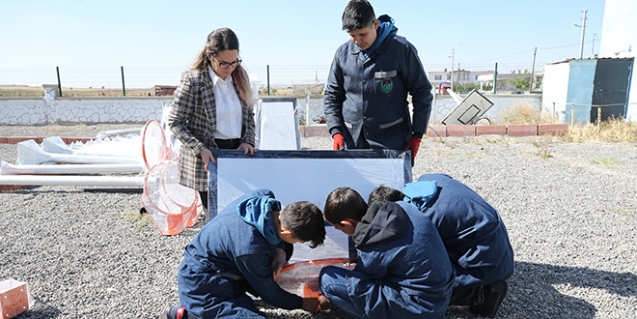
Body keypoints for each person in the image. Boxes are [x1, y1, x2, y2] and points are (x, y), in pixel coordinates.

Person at [160, 189, 328, 319]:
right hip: (202, 281)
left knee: (285, 249)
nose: (298, 244)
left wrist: (280, 249)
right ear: (285, 231)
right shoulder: (250, 247)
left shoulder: (263, 198)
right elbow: (268, 292)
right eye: (299, 240)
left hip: (225, 265)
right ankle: (186, 313)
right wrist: (303, 303)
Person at [368, 173, 515, 318]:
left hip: (487, 255)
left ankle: (480, 293)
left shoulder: (423, 222)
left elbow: (424, 265)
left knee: (427, 286)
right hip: (494, 236)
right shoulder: (427, 180)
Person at [323, 0, 433, 165]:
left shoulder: (401, 49)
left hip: (391, 140)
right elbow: (332, 95)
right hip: (352, 141)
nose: (358, 41)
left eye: (362, 34)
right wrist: (336, 130)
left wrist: (417, 134)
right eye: (353, 36)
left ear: (375, 24)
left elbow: (422, 92)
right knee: (354, 189)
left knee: (389, 190)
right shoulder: (342, 54)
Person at [318, 187, 454, 319]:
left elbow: (363, 284)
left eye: (339, 228)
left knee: (327, 280)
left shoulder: (370, 245)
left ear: (347, 224)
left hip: (419, 309)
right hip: (442, 296)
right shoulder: (402, 207)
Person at [168, 27, 257, 212]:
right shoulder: (194, 81)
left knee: (240, 212)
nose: (230, 68)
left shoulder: (239, 77)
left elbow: (249, 114)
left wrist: (248, 140)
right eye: (224, 63)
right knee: (216, 215)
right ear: (210, 55)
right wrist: (200, 149)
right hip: (208, 159)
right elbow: (175, 122)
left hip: (237, 154)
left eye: (235, 62)